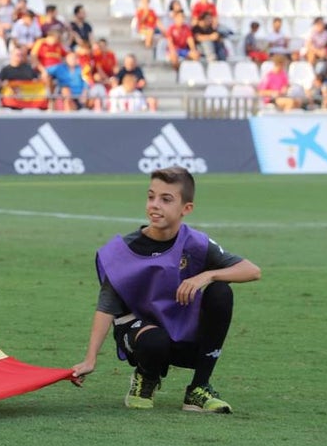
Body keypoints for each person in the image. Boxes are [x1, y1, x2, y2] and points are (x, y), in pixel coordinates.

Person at [71, 167, 261, 413]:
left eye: (166, 199)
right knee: (155, 341)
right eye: (151, 197)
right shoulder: (123, 250)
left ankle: (198, 389)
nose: (155, 205)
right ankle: (146, 377)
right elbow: (106, 307)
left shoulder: (196, 243)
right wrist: (90, 358)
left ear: (186, 208)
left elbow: (252, 270)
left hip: (180, 330)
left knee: (221, 291)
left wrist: (207, 275)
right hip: (140, 334)